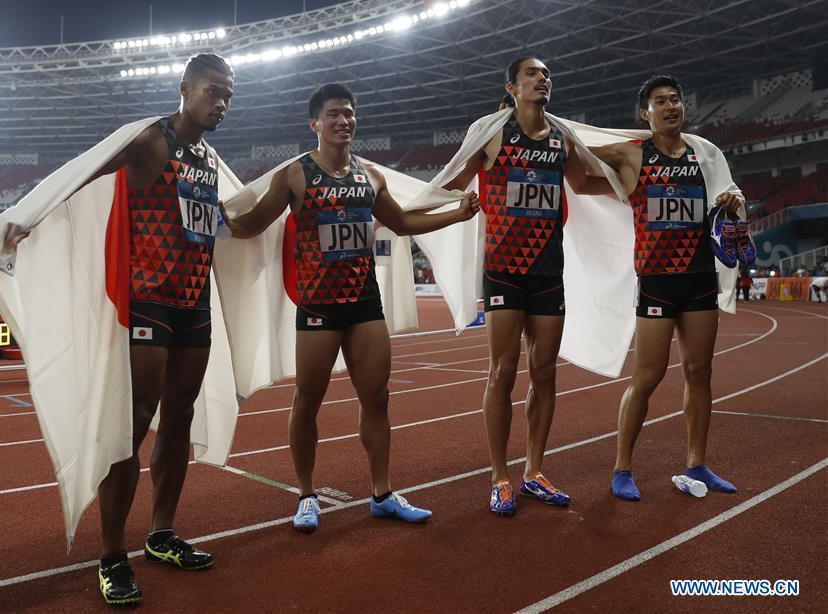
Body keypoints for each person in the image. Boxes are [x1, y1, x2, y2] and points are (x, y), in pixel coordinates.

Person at [9, 54, 233, 605]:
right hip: (149, 300)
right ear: (184, 89)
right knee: (132, 423)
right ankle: (112, 556)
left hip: (194, 304)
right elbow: (85, 170)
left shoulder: (209, 158)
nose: (221, 102)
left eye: (228, 94)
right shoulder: (149, 141)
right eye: (211, 91)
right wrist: (29, 215)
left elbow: (234, 218)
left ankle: (161, 533)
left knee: (179, 416)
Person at [222, 83, 479, 531]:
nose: (344, 121)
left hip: (364, 305)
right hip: (319, 307)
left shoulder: (371, 176)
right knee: (307, 401)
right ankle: (306, 496)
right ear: (314, 123)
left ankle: (382, 493)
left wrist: (455, 215)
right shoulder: (296, 175)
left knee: (377, 398)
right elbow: (252, 224)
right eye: (334, 114)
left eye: (349, 113)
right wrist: (212, 218)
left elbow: (401, 223)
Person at [442, 57, 594, 516]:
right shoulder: (491, 133)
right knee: (502, 372)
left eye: (547, 74)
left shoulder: (563, 138)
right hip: (504, 269)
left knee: (545, 372)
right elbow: (451, 180)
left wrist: (635, 187)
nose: (542, 79)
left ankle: (533, 471)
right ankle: (500, 475)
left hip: (549, 270)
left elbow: (587, 183)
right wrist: (454, 201)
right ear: (512, 87)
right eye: (532, 74)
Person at [583, 75, 743, 501]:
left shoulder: (704, 155)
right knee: (647, 377)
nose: (671, 106)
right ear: (645, 113)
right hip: (656, 282)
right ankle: (622, 468)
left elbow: (729, 194)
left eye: (675, 99)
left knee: (700, 373)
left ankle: (697, 463)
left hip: (699, 279)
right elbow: (577, 154)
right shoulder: (633, 155)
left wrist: (732, 201)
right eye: (660, 101)